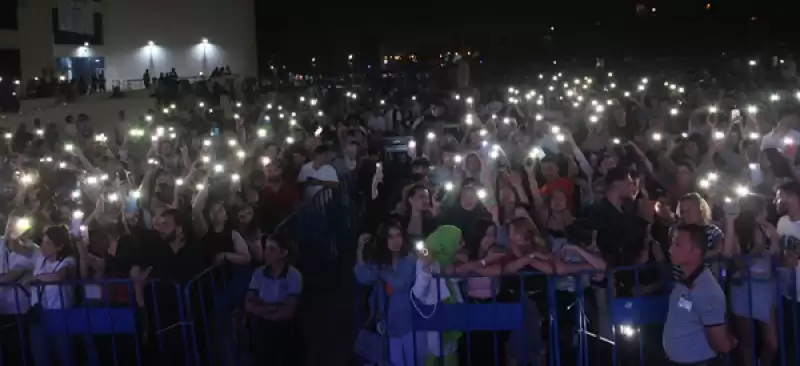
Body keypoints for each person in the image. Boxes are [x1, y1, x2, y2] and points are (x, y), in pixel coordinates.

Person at [663, 224, 736, 365]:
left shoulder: (708, 290)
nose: (671, 250)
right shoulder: (684, 280)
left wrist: (730, 342)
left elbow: (722, 345)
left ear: (696, 250)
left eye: (677, 245)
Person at [245, 233, 301, 366]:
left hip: (285, 329)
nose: (266, 252)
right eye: (266, 248)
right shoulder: (259, 273)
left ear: (283, 253)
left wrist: (261, 309)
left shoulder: (293, 275)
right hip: (262, 329)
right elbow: (248, 304)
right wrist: (272, 308)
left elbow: (288, 311)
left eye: (271, 249)